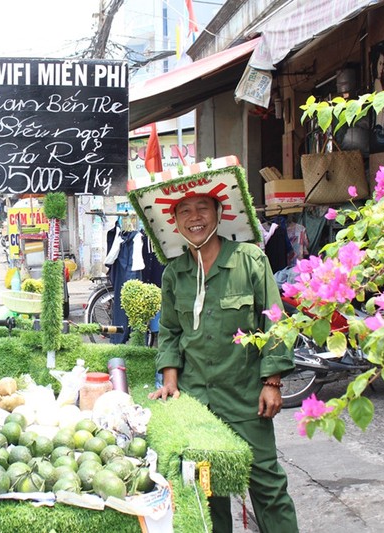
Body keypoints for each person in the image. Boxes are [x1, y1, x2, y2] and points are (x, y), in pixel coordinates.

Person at [129, 161, 298, 533]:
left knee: (266, 484)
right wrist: (170, 378)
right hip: (197, 403)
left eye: (202, 208)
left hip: (245, 398)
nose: (194, 218)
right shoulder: (174, 274)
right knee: (208, 489)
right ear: (174, 222)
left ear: (219, 213)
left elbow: (275, 319)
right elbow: (171, 332)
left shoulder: (249, 260)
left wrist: (272, 381)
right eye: (184, 211)